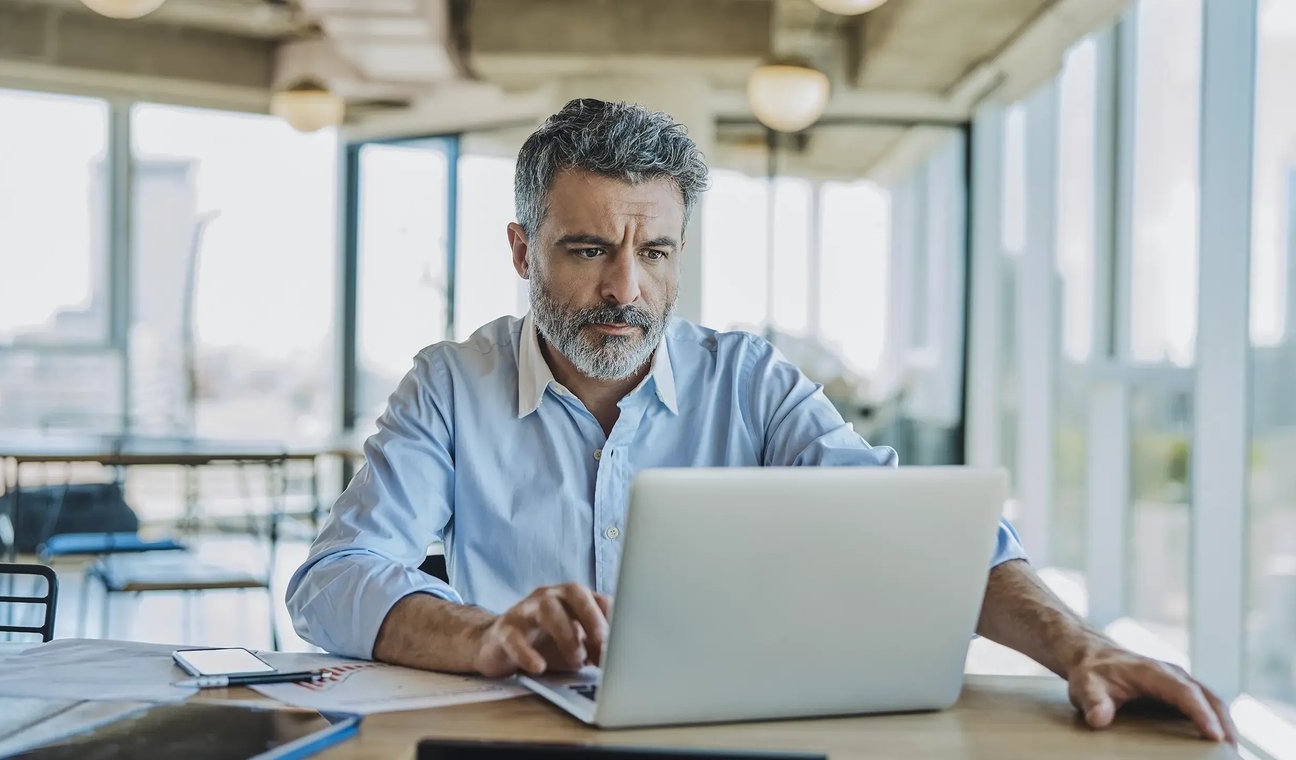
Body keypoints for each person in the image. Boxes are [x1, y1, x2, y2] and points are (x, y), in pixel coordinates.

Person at [288, 98, 1235, 744]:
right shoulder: (452, 384)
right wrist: (484, 635)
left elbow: (926, 539)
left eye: (655, 251)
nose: (627, 287)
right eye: (587, 250)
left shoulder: (752, 382)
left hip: (736, 737)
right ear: (520, 247)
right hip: (515, 739)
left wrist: (1084, 647)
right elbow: (333, 581)